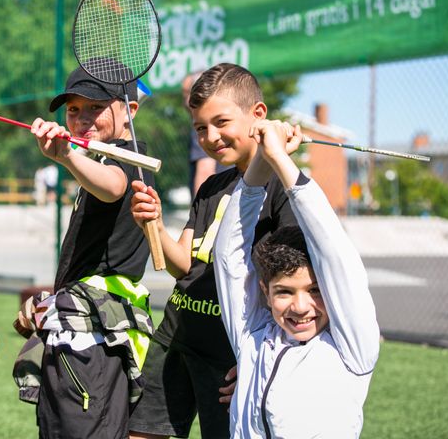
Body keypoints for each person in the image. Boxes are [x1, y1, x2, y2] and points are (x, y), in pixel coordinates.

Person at [128, 63, 298, 438]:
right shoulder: (211, 187)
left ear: (258, 115)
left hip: (231, 356)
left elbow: (296, 290)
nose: (211, 136)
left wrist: (261, 363)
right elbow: (184, 265)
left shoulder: (286, 190)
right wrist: (152, 224)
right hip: (175, 337)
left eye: (221, 122)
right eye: (201, 128)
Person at [13, 59, 155, 439]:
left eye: (96, 106)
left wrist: (66, 155)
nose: (82, 117)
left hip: (94, 343)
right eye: (74, 110)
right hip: (74, 329)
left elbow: (113, 186)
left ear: (130, 111)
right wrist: (48, 304)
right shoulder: (94, 161)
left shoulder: (132, 157)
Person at [213, 120, 380, 437]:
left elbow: (334, 252)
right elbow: (228, 254)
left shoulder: (353, 347)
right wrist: (262, 159)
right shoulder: (252, 335)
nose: (301, 306)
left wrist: (282, 161)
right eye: (285, 292)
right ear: (265, 290)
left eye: (315, 290)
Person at [183, 71, 230, 196]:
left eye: (187, 93)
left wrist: (200, 213)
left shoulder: (203, 129)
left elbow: (205, 170)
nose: (185, 101)